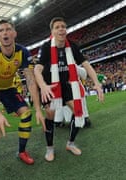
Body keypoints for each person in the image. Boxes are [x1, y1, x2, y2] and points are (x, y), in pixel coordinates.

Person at [0, 19, 45, 175]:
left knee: (27, 113)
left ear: (14, 33)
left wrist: (38, 108)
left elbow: (31, 81)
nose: (4, 33)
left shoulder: (23, 52)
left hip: (8, 88)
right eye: (1, 31)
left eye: (7, 29)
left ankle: (22, 151)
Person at [34, 17, 104, 162]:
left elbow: (86, 64)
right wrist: (43, 86)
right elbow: (37, 69)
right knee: (50, 114)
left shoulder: (72, 46)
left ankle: (70, 143)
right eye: (58, 27)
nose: (61, 29)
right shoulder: (46, 47)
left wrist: (97, 83)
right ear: (52, 31)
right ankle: (50, 148)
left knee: (79, 114)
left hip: (66, 85)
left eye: (63, 27)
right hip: (50, 86)